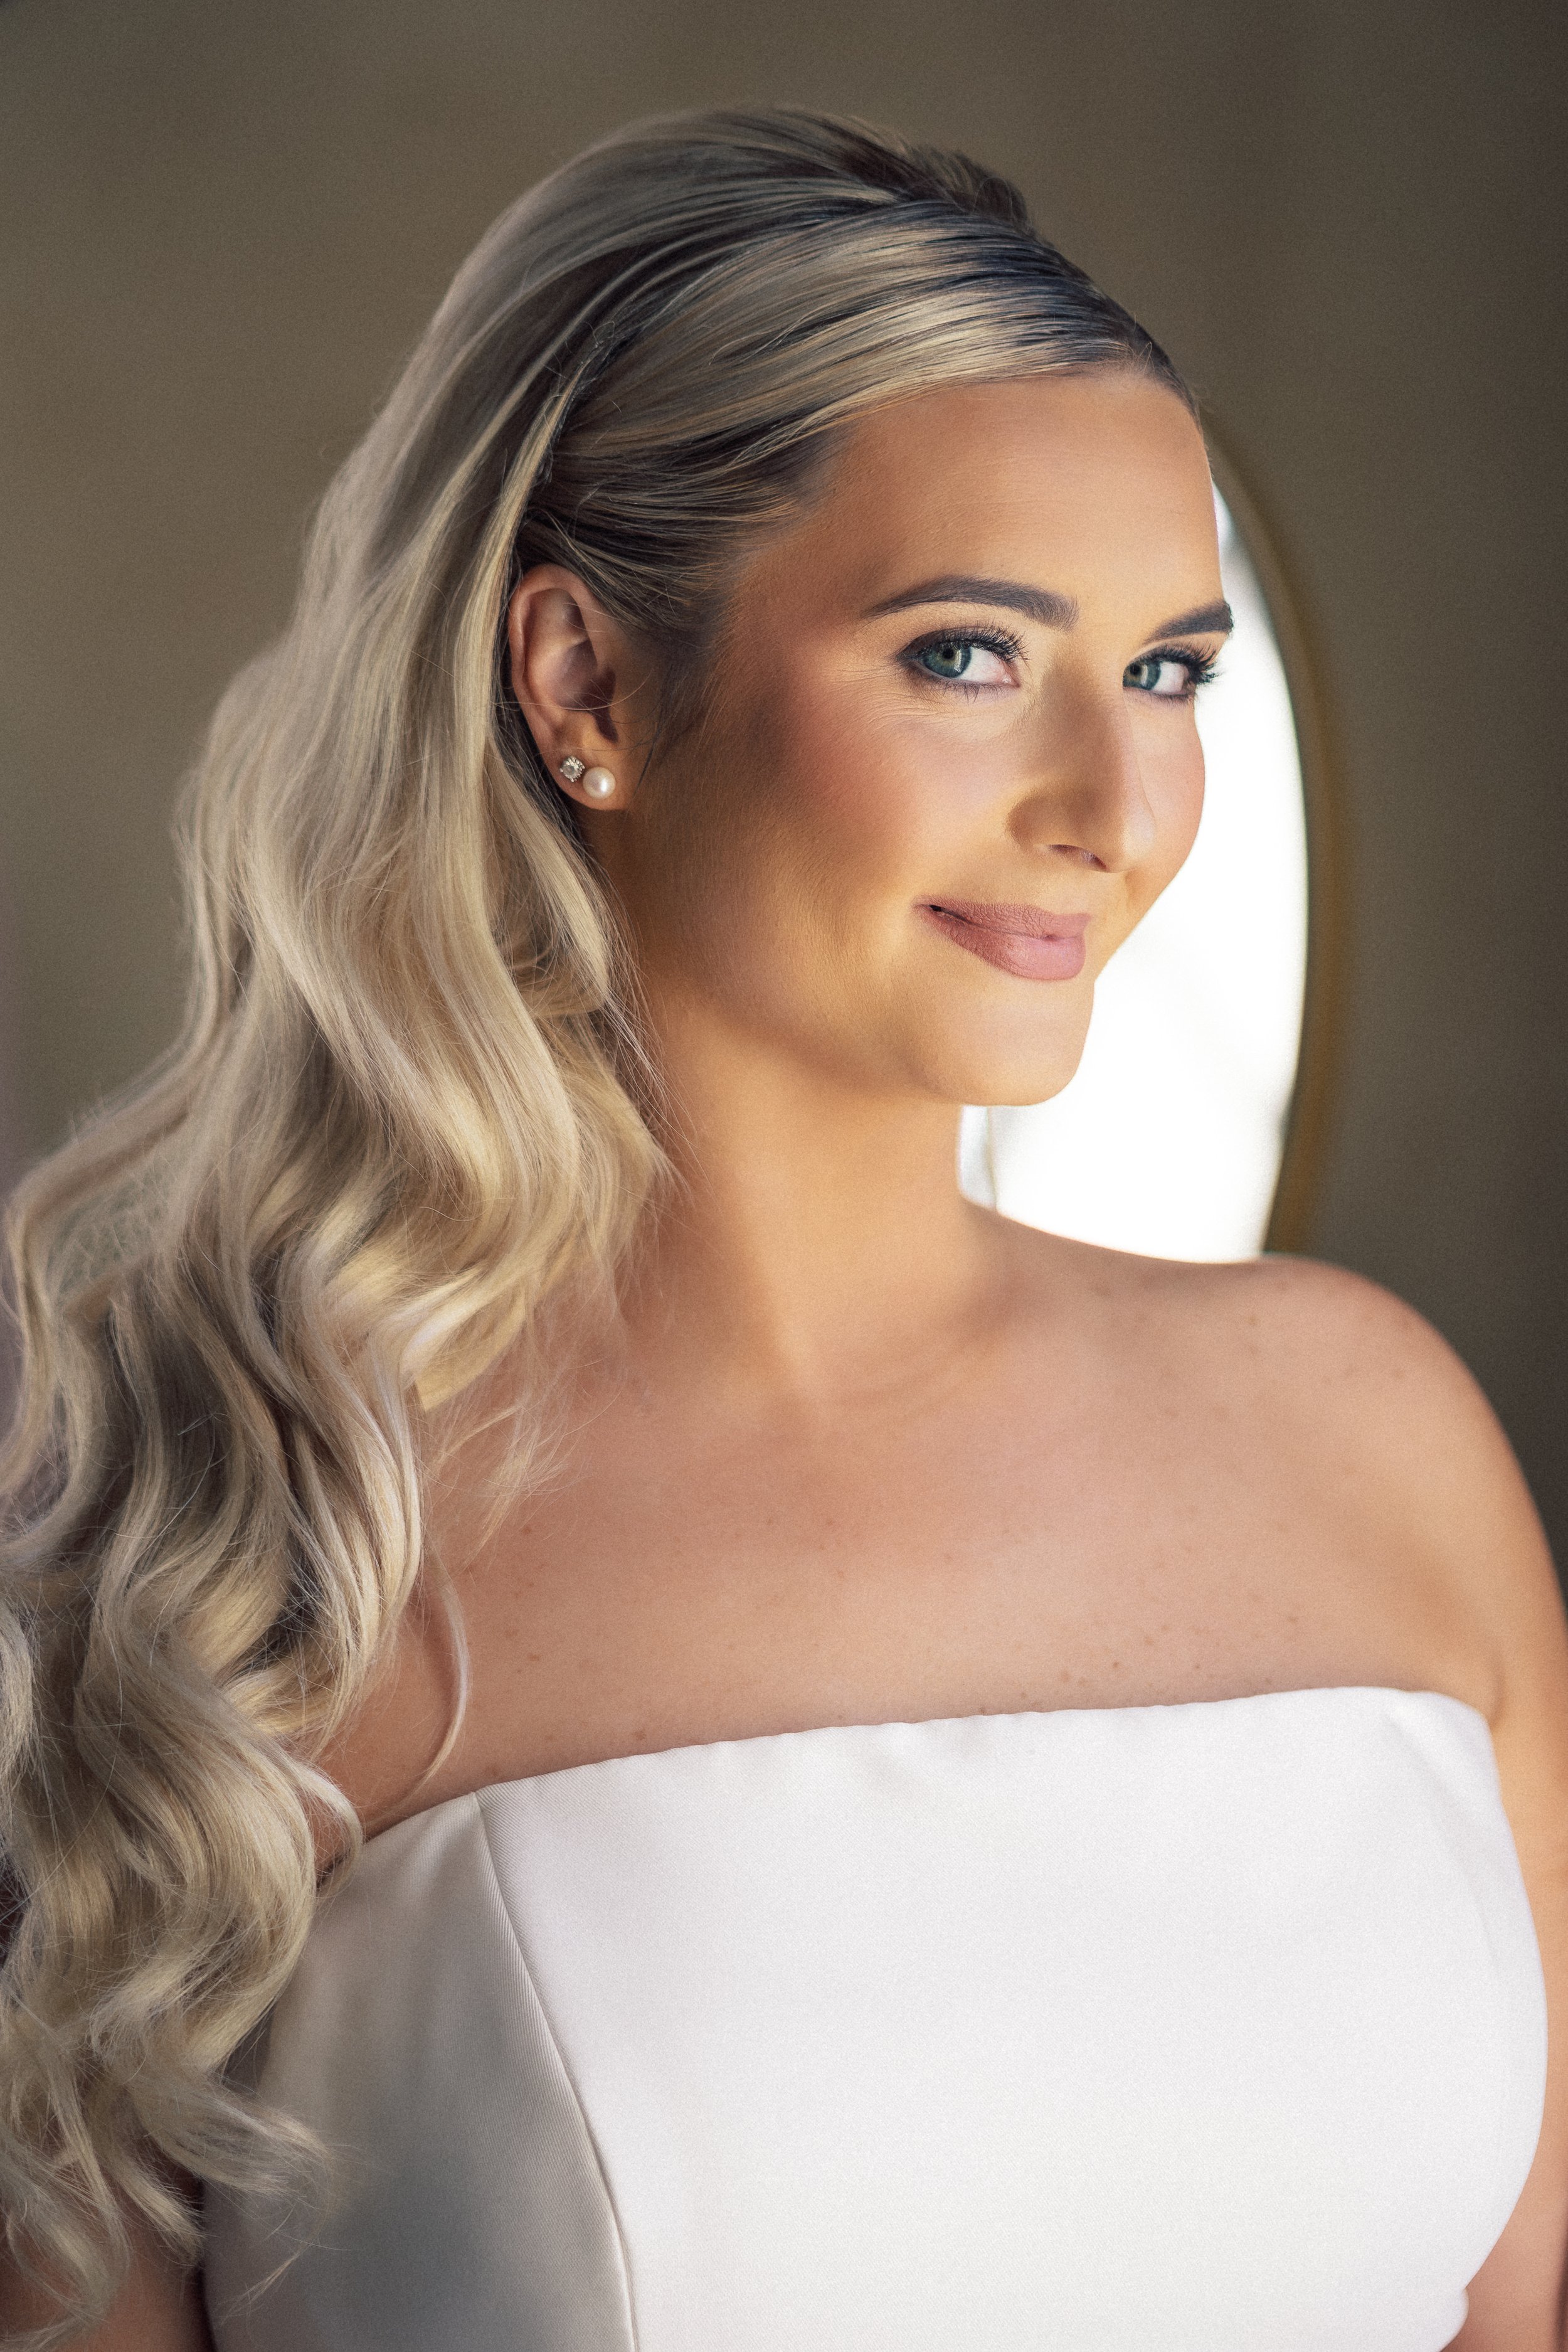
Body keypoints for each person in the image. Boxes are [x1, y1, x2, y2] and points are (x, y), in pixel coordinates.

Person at [2, 106, 1565, 2352]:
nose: (1112, 813)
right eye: (963, 656)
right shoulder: (244, 1561)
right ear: (584, 686)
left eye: (1169, 672)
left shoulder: (1373, 1436)